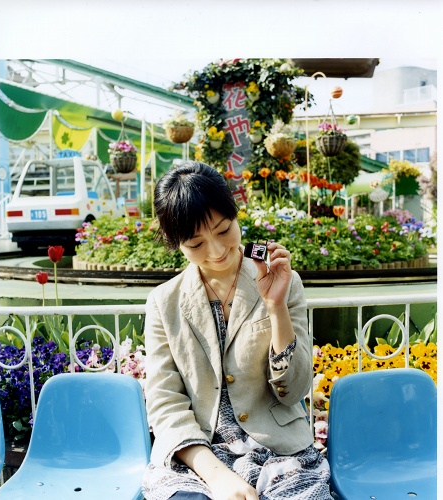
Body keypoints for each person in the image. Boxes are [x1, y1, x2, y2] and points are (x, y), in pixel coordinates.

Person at [142, 161, 332, 500]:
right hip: (197, 456)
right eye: (196, 244)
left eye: (224, 230)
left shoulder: (281, 280)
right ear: (176, 243)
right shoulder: (164, 302)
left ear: (235, 214)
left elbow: (295, 390)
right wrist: (218, 477)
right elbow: (166, 402)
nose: (216, 251)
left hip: (279, 452)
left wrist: (275, 307)